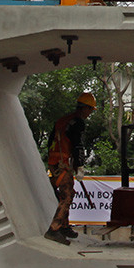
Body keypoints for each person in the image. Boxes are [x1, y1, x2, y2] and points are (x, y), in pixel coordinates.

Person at [44, 92, 96, 245]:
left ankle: (65, 226)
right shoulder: (77, 123)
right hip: (62, 163)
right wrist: (79, 165)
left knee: (67, 193)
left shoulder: (63, 120)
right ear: (85, 108)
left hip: (54, 162)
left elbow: (50, 142)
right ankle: (54, 229)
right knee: (66, 196)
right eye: (90, 110)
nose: (89, 113)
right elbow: (77, 145)